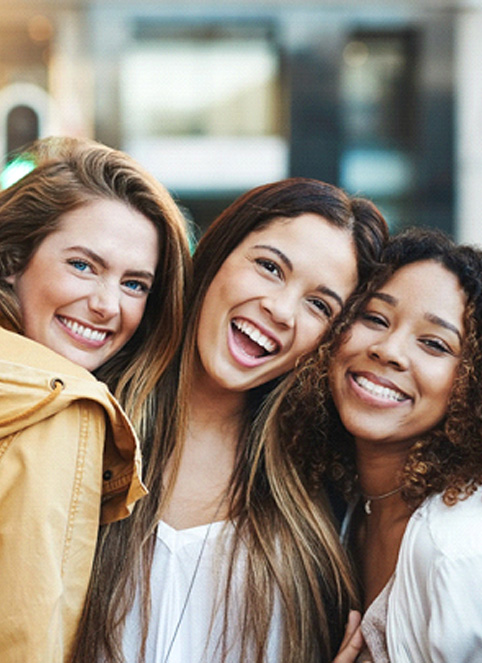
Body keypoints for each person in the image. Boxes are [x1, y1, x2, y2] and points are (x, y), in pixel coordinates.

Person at [73, 177, 389, 663]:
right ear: (217, 254)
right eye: (269, 267)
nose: (281, 310)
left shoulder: (325, 500)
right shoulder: (84, 416)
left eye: (319, 305)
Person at [0, 136, 191, 663]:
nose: (107, 306)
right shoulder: (62, 408)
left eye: (135, 284)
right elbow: (29, 637)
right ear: (13, 259)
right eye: (83, 266)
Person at [277, 227, 482, 662]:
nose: (389, 350)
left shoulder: (457, 549)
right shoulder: (349, 508)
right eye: (375, 318)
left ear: (472, 385)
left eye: (434, 343)